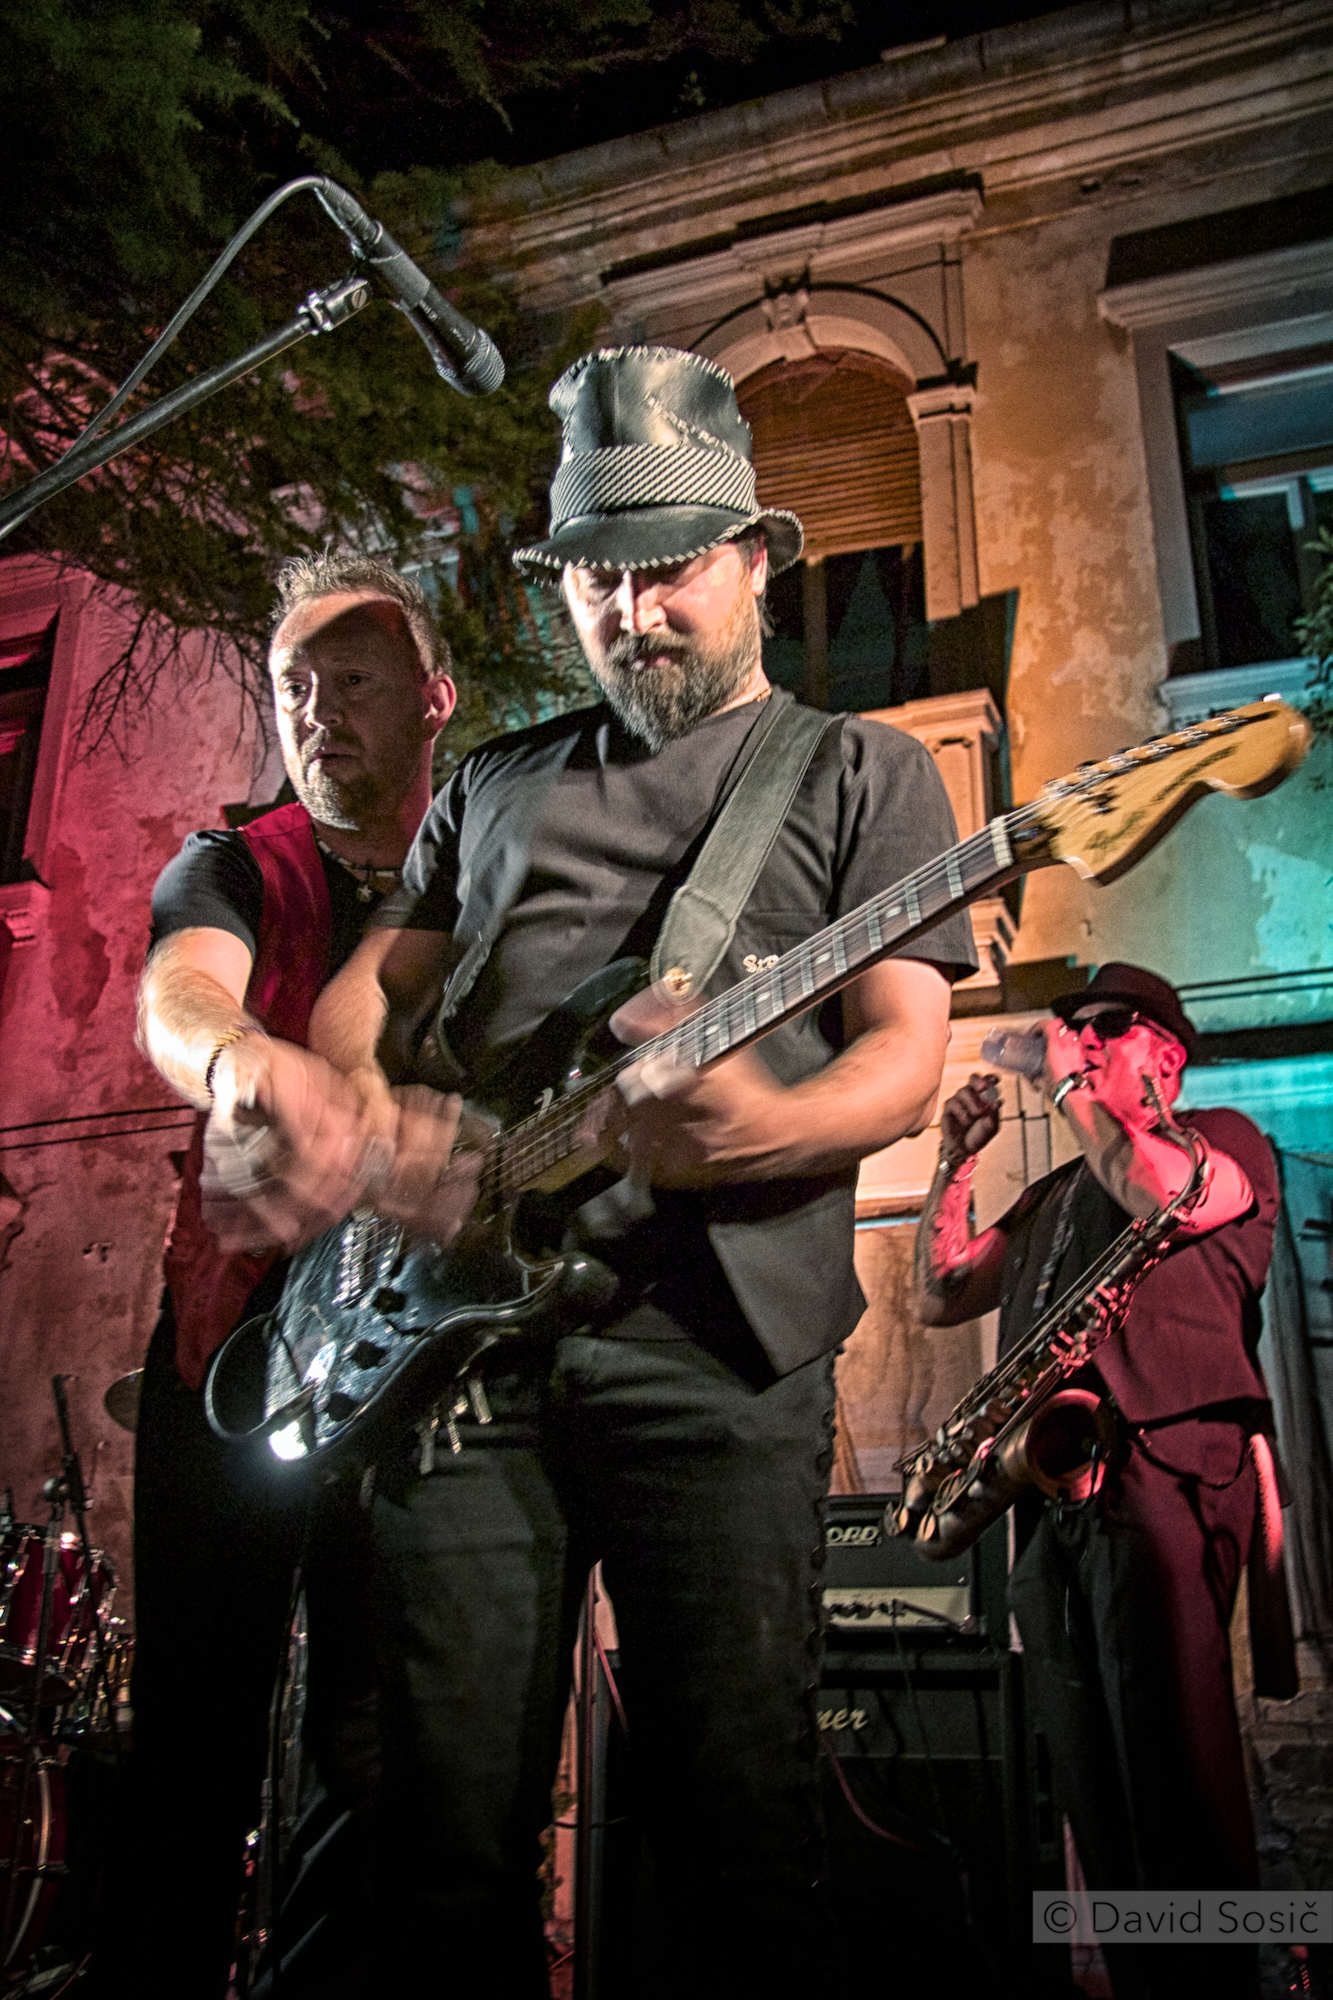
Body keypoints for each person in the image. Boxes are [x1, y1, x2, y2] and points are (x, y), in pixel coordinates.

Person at [204, 344, 978, 1996]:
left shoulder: (865, 775)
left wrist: (759, 1130)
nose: (635, 610)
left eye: (672, 566)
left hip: (715, 1354)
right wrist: (357, 1121)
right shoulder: (492, 785)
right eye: (598, 578)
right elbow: (366, 997)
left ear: (754, 559)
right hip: (453, 1355)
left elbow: (903, 1056)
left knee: (734, 1842)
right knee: (430, 1843)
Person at [109, 553, 455, 1997]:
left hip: (421, 1372)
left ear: (434, 698)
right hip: (233, 1359)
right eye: (292, 687)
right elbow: (179, 990)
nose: (315, 712)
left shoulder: (485, 858)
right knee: (191, 1736)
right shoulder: (234, 860)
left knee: (377, 1756)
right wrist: (242, 1060)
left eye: (351, 681)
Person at [913, 962, 1282, 2000]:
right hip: (1051, 1487)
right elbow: (940, 1293)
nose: (1074, 1035)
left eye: (1102, 1024)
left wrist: (1072, 1087)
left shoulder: (1222, 1140)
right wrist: (953, 1161)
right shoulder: (1055, 1189)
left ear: (1164, 1052)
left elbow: (1160, 1191)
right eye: (1068, 1024)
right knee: (1094, 1790)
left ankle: (1218, 1986)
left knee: (1176, 1772)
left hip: (1163, 1457)